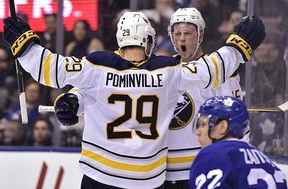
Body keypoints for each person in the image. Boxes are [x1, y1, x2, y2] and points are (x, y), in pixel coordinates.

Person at [3, 11, 265, 188]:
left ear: (120, 38)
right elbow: (211, 69)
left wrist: (25, 46)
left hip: (99, 175)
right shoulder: (168, 71)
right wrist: (238, 46)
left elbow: (51, 69)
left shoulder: (96, 67)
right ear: (149, 41)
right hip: (146, 180)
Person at [164, 7, 245, 189]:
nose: (182, 39)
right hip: (165, 172)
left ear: (200, 36)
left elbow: (236, 125)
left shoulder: (221, 73)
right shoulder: (164, 71)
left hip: (204, 167)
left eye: (187, 33)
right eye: (177, 33)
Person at [189, 95, 287, 188]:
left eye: (203, 124)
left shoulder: (213, 155)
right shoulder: (265, 161)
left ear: (222, 127)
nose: (198, 132)